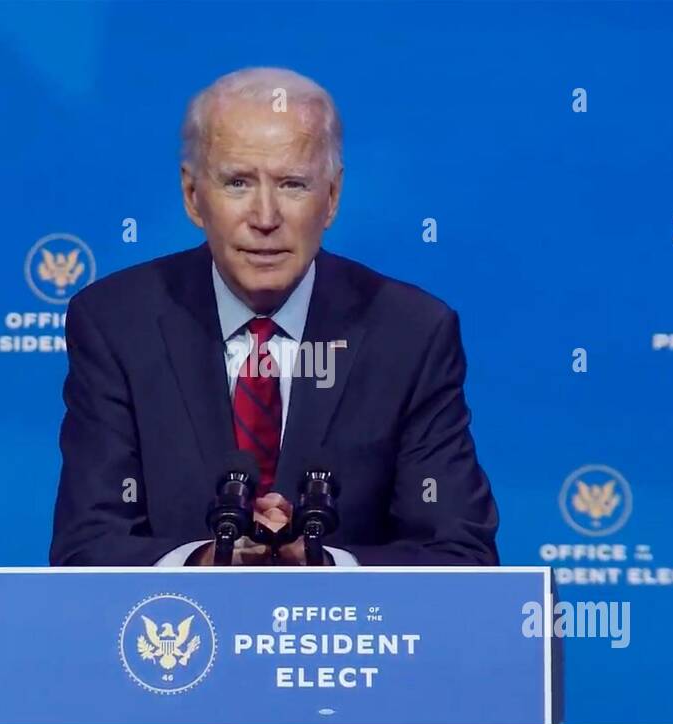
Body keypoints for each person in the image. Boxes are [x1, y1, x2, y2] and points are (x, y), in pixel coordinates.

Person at [49, 67, 497, 567]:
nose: (265, 217)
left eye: (292, 184)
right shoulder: (117, 323)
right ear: (193, 196)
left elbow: (460, 556)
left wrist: (323, 568)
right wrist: (207, 563)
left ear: (331, 198)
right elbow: (86, 548)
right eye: (238, 182)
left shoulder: (410, 333)